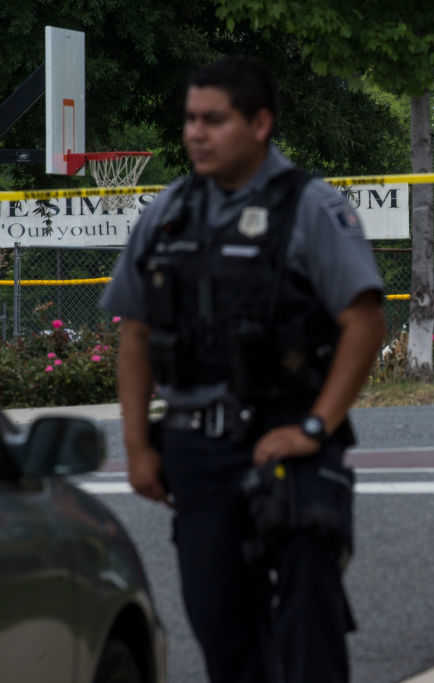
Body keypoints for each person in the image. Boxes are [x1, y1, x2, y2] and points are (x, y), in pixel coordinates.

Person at [100, 56, 387, 683]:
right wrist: (136, 448)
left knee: (309, 634)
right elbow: (135, 333)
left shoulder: (309, 209)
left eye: (214, 120)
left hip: (287, 446)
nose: (195, 133)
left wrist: (315, 427)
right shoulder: (168, 212)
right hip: (195, 454)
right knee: (222, 631)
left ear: (260, 123)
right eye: (190, 120)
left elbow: (364, 322)